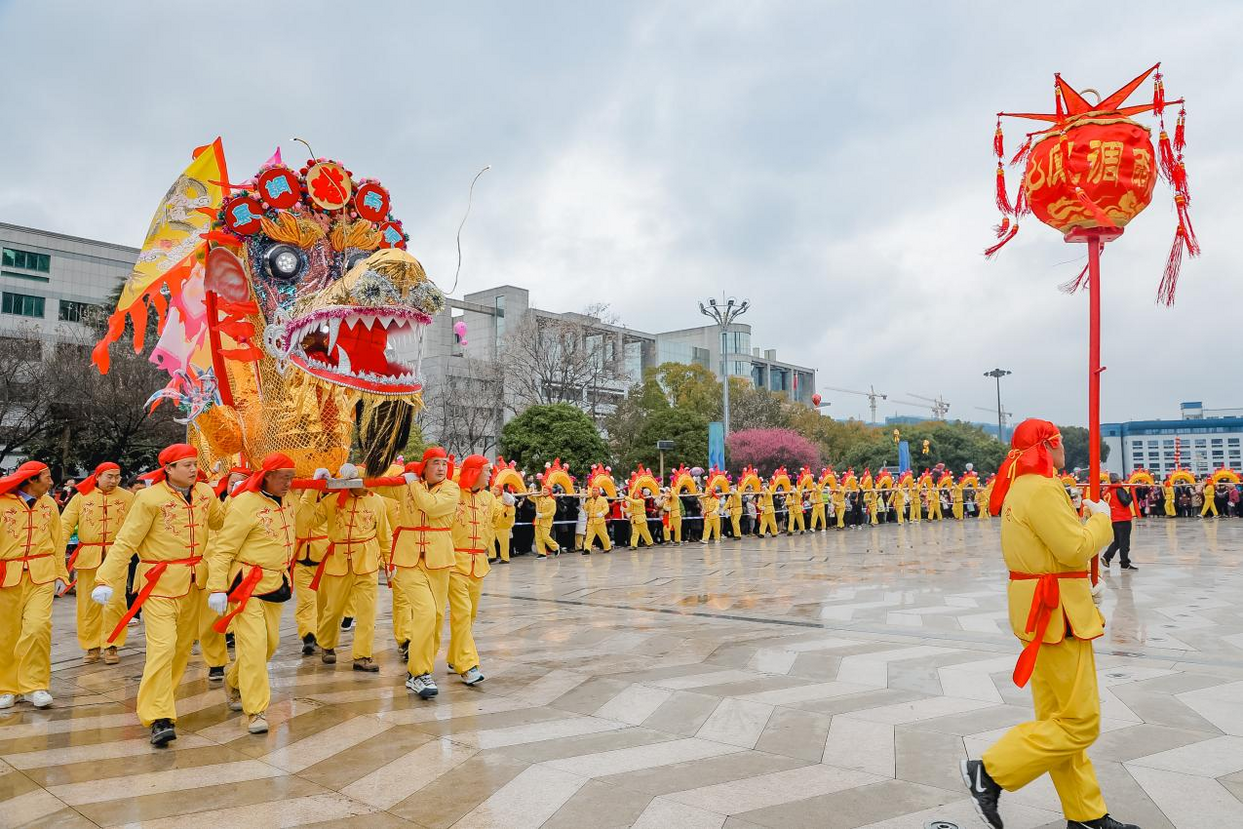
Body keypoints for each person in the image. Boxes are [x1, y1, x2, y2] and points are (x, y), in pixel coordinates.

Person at [963, 419, 1138, 829]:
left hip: (1050, 607)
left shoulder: (1021, 488)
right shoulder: (1041, 489)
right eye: (1058, 442)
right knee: (1079, 722)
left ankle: (1086, 815)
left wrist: (1080, 581)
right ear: (1048, 446)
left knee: (1058, 720)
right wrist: (1100, 519)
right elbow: (1073, 546)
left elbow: (1053, 556)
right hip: (1057, 615)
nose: (1063, 450)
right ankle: (989, 772)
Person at [93, 444, 226, 746]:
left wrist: (240, 491)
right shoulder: (148, 498)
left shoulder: (205, 493)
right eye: (186, 464)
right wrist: (104, 578)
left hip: (194, 583)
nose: (193, 469)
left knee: (180, 651)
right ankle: (159, 717)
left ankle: (163, 703)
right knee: (163, 648)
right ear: (168, 468)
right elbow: (127, 541)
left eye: (194, 464)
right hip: (159, 586)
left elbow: (222, 523)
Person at [205, 453, 304, 734]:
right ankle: (256, 711)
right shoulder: (244, 503)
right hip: (247, 584)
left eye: (291, 477)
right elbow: (224, 548)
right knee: (254, 647)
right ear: (267, 476)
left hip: (277, 581)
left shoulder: (291, 499)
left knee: (270, 645)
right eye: (284, 477)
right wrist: (216, 587)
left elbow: (308, 519)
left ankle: (234, 681)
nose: (289, 483)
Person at [372, 447, 456, 697]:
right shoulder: (407, 485)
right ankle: (420, 673)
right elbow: (376, 484)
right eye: (435, 463)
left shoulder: (452, 489)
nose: (441, 468)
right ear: (424, 466)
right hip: (408, 559)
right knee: (426, 612)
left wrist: (412, 484)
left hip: (439, 560)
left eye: (443, 463)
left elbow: (430, 506)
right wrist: (351, 473)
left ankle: (418, 670)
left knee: (437, 617)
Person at [308, 462, 390, 673]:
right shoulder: (332, 500)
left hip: (368, 561)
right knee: (332, 609)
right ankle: (327, 645)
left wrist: (389, 561)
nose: (366, 486)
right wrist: (313, 490)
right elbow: (308, 522)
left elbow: (384, 533)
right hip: (338, 561)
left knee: (367, 612)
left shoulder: (377, 502)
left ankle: (362, 655)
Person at [0, 462, 68, 711]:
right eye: (47, 478)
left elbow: (58, 540)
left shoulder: (49, 503)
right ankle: (7, 688)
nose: (51, 483)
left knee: (38, 628)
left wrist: (61, 573)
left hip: (42, 574)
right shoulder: (2, 502)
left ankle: (35, 685)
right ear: (32, 480)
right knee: (6, 634)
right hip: (6, 575)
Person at [60, 462, 133, 665]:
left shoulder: (128, 498)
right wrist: (57, 550)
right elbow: (65, 524)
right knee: (87, 603)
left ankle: (112, 645)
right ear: (98, 476)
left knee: (116, 601)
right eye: (109, 476)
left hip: (116, 555)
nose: (114, 481)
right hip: (88, 555)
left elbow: (139, 524)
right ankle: (91, 646)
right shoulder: (81, 497)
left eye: (117, 477)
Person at [447, 455, 493, 686]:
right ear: (474, 472)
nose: (489, 474)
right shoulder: (453, 494)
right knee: (462, 612)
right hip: (455, 562)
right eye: (486, 470)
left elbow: (498, 525)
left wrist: (509, 510)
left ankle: (455, 655)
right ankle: (467, 665)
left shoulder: (488, 498)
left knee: (470, 615)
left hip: (478, 564)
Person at [1102, 474, 1137, 571]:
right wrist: (1131, 493)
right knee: (1124, 542)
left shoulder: (1107, 491)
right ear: (1118, 480)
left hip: (1114, 519)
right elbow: (1125, 502)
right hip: (1123, 518)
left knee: (1118, 541)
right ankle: (1124, 563)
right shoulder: (1118, 490)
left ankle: (1107, 557)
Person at [491, 485, 515, 563]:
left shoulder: (505, 499)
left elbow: (509, 513)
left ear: (501, 491)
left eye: (496, 490)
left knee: (504, 543)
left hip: (503, 525)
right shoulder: (492, 499)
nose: (494, 491)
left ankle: (505, 558)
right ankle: (492, 556)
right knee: (489, 540)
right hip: (493, 524)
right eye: (494, 490)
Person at [532, 487, 560, 557]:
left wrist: (542, 515)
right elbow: (531, 498)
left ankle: (556, 547)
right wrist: (533, 492)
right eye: (543, 490)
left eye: (546, 490)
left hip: (546, 522)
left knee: (545, 537)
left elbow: (552, 513)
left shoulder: (552, 501)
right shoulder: (539, 498)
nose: (544, 491)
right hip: (538, 521)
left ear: (549, 491)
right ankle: (542, 553)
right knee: (538, 538)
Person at [582, 487, 611, 553]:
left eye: (596, 491)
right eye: (593, 491)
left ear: (599, 492)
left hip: (599, 521)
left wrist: (602, 513)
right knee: (589, 536)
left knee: (603, 535)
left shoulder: (603, 499)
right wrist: (585, 500)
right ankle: (587, 549)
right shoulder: (590, 500)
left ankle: (607, 547)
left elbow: (606, 509)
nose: (594, 492)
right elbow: (585, 508)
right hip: (591, 521)